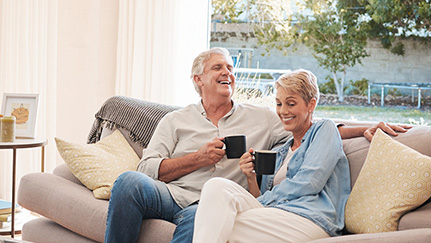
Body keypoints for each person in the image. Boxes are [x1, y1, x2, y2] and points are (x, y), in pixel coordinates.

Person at [104, 48, 410, 243]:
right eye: (218, 68)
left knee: (207, 216)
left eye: (230, 68)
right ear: (198, 79)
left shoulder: (263, 118)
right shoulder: (175, 120)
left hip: (212, 204)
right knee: (129, 181)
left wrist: (365, 128)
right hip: (172, 194)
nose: (228, 73)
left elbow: (308, 127)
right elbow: (147, 169)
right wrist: (198, 159)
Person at [193, 69, 349, 242]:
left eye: (291, 104)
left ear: (311, 105)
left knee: (220, 223)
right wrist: (251, 178)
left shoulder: (324, 129)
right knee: (216, 186)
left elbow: (309, 183)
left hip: (312, 219)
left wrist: (262, 203)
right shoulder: (280, 152)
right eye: (279, 104)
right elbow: (261, 198)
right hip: (276, 216)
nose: (283, 111)